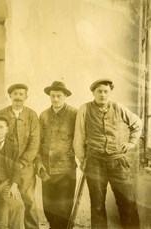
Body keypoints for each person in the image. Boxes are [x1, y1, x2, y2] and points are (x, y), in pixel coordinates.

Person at [74, 78, 142, 229]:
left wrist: (131, 143)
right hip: (95, 162)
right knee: (97, 205)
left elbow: (137, 123)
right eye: (99, 91)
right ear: (93, 93)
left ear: (110, 93)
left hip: (118, 162)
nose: (103, 95)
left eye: (106, 92)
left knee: (128, 202)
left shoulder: (118, 108)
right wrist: (82, 159)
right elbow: (79, 137)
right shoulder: (84, 109)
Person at [0, 83, 40, 229]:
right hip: (6, 166)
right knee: (9, 200)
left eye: (21, 94)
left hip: (25, 167)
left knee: (28, 199)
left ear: (26, 97)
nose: (18, 97)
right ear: (10, 96)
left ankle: (32, 227)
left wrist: (22, 162)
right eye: (15, 94)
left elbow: (35, 142)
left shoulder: (32, 115)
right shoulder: (1, 114)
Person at [35, 81, 77, 229]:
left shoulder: (74, 114)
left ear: (65, 96)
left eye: (59, 96)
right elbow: (37, 142)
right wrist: (39, 163)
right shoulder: (44, 115)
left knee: (64, 208)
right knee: (48, 207)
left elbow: (83, 137)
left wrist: (76, 148)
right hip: (47, 169)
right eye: (53, 96)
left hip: (66, 169)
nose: (55, 99)